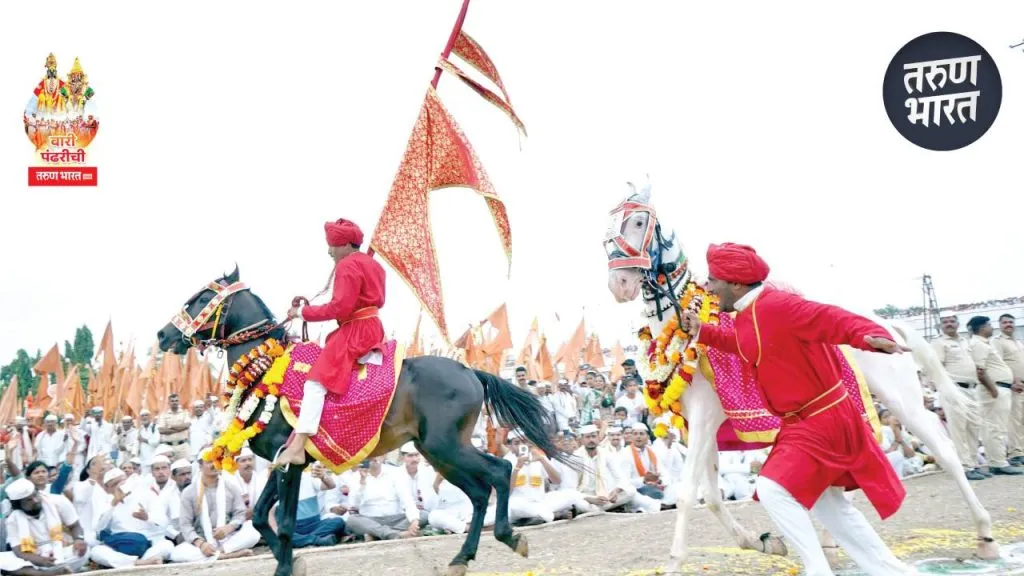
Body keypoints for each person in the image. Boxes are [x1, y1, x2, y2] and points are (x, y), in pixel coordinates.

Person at [681, 242, 916, 576]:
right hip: (804, 422)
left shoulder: (779, 305)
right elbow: (744, 344)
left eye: (713, 280)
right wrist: (703, 331)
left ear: (735, 283)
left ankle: (817, 570)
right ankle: (895, 572)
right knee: (831, 506)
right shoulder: (745, 315)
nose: (707, 286)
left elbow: (831, 318)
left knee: (772, 489)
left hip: (823, 420)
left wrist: (870, 334)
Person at [274, 218, 386, 468]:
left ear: (345, 244)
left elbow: (340, 307)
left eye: (332, 246)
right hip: (372, 326)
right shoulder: (373, 265)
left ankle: (298, 446)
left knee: (315, 382)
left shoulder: (347, 265)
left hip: (355, 330)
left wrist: (303, 313)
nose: (329, 251)